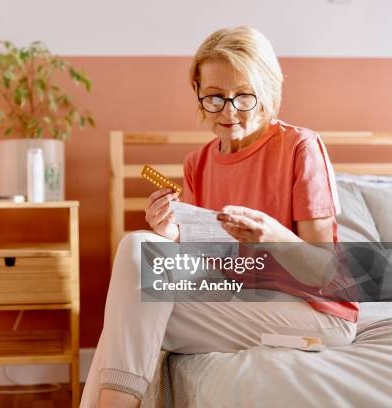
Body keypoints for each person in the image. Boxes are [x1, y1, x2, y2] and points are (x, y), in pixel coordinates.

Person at [80, 26, 359, 408]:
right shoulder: (198, 162)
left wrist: (272, 235)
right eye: (214, 97)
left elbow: (328, 272)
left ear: (267, 91)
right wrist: (174, 234)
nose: (228, 111)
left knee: (129, 319)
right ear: (197, 92)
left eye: (244, 96)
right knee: (139, 253)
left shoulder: (300, 147)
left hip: (318, 318)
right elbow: (207, 266)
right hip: (239, 301)